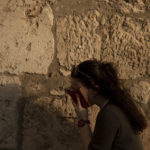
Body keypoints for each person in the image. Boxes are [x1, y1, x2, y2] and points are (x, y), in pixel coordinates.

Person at [68, 59, 147, 150]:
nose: (72, 93)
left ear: (94, 90)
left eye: (76, 89)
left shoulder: (109, 113)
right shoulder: (114, 107)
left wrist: (83, 119)